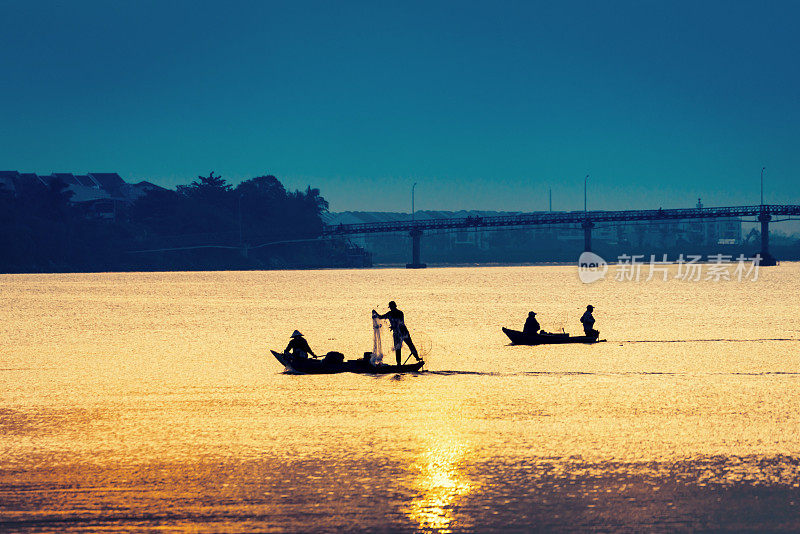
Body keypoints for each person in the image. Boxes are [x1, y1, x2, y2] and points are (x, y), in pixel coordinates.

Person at [375, 301, 421, 365]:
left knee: (410, 345)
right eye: (390, 307)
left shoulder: (400, 313)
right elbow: (380, 317)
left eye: (392, 307)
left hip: (403, 332)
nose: (391, 308)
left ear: (395, 306)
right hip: (396, 334)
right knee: (397, 348)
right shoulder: (389, 314)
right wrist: (375, 313)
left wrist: (393, 326)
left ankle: (417, 357)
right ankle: (399, 364)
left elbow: (400, 322)